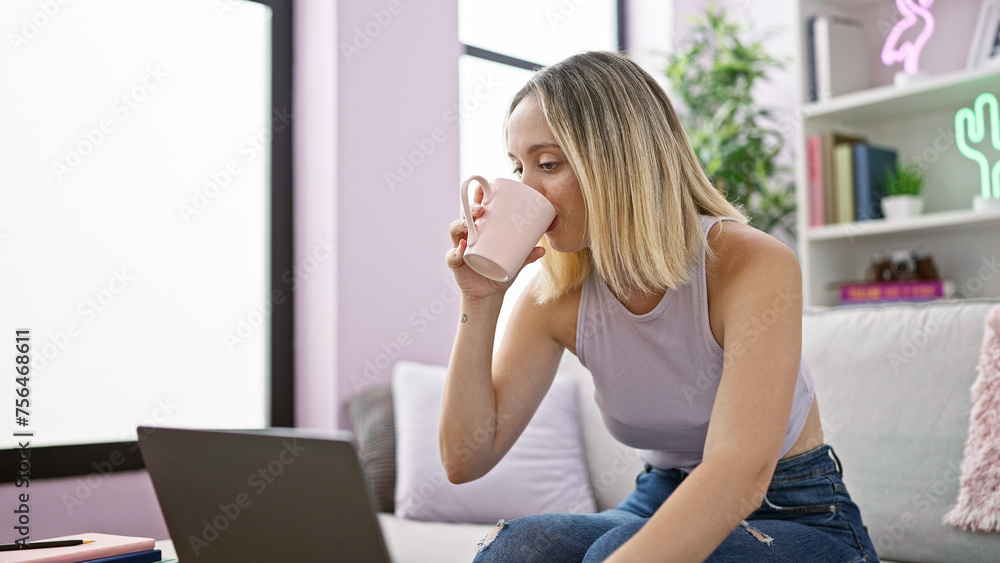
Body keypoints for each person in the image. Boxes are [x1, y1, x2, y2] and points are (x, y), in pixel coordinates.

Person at [442, 51, 879, 563]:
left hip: (796, 509)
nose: (526, 188)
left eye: (549, 164)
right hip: (661, 494)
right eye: (518, 167)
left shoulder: (751, 263)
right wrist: (481, 298)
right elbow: (465, 459)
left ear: (619, 159)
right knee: (518, 549)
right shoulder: (556, 294)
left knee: (615, 550)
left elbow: (740, 474)